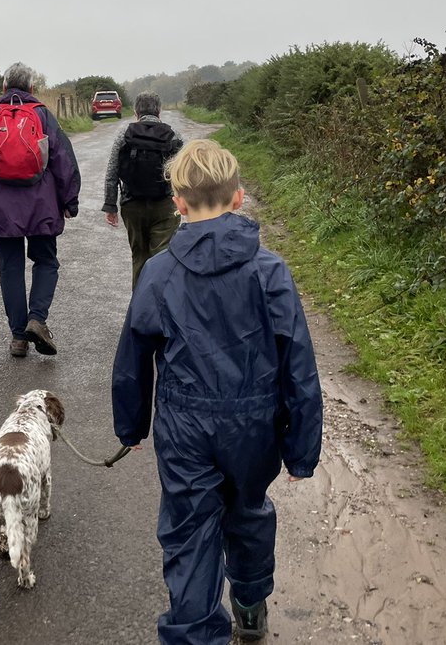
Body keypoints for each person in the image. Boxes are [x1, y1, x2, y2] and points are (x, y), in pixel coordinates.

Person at [111, 139, 323, 644]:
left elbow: (133, 357)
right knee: (248, 512)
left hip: (185, 429)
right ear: (238, 198)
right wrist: (301, 449)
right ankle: (249, 606)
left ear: (178, 203)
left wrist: (131, 425)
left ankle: (194, 633)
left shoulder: (159, 272)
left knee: (189, 531)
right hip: (254, 427)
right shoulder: (270, 271)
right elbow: (299, 365)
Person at [0, 62, 81, 358]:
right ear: (32, 88)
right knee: (46, 261)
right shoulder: (43, 115)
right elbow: (64, 160)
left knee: (10, 267)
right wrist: (70, 201)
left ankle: (18, 337)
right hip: (41, 204)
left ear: (3, 87)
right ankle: (37, 319)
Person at [102, 91, 184, 289]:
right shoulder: (173, 135)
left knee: (139, 256)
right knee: (162, 258)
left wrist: (111, 205)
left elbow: (112, 172)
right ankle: (160, 302)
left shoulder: (124, 134)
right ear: (159, 111)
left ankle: (140, 304)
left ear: (136, 113)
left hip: (132, 206)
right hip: (165, 205)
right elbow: (186, 172)